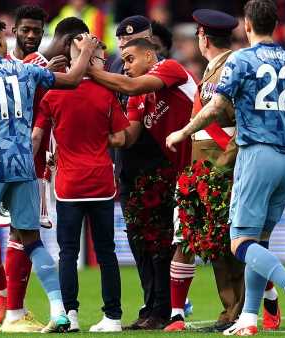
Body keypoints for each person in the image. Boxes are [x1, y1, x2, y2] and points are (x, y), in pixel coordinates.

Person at [166, 0, 285, 335]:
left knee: (240, 243)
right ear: (276, 25)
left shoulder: (242, 60)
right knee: (259, 242)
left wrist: (183, 131)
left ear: (247, 25)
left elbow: (218, 105)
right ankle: (249, 318)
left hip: (256, 155)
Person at [0, 16, 98, 334]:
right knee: (31, 241)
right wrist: (84, 51)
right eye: (5, 34)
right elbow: (72, 80)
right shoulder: (26, 70)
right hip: (24, 166)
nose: (9, 37)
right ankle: (59, 311)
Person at [0, 9, 91, 332]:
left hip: (32, 163)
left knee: (22, 231)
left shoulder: (42, 68)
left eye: (37, 31)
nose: (31, 36)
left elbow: (50, 109)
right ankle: (4, 294)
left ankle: (14, 309)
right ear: (14, 30)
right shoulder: (8, 65)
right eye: (26, 30)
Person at [89, 37, 194, 330]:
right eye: (122, 61)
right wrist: (92, 135)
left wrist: (90, 71)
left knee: (211, 242)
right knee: (150, 244)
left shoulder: (170, 68)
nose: (125, 67)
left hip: (201, 165)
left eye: (130, 59)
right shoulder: (137, 97)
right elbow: (129, 137)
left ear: (149, 56)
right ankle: (155, 309)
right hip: (176, 174)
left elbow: (131, 85)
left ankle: (237, 310)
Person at [32, 40, 129, 332]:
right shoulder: (105, 93)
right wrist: (101, 140)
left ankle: (70, 316)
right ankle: (113, 317)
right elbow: (122, 139)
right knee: (107, 252)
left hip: (70, 185)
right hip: (100, 182)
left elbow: (37, 137)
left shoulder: (52, 96)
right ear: (92, 62)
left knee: (68, 253)